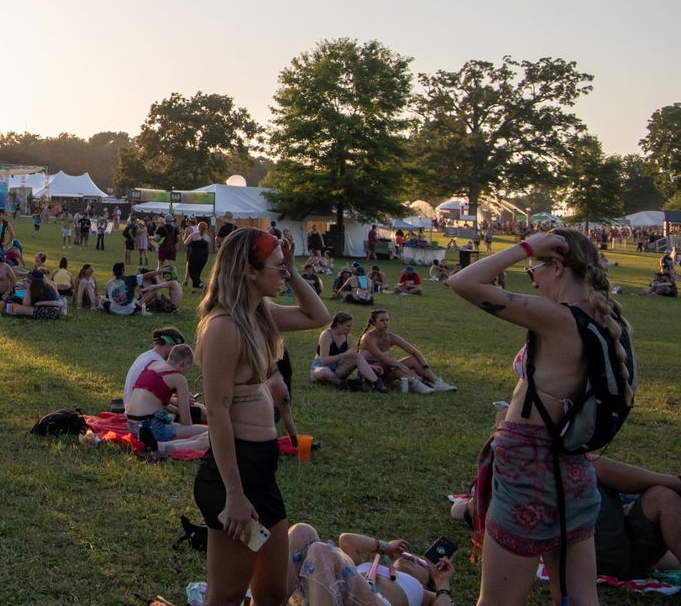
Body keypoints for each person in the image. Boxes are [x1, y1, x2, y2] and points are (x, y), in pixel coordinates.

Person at [447, 229, 634, 606]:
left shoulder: (558, 318)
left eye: (533, 270)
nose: (532, 280)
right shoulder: (609, 320)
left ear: (557, 266)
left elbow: (463, 281)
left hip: (529, 476)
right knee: (579, 598)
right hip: (573, 472)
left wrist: (527, 247)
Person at [194, 228, 329, 606]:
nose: (283, 274)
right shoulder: (224, 326)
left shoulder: (260, 315)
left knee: (272, 592)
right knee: (227, 596)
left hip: (262, 469)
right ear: (250, 271)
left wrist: (294, 270)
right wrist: (235, 495)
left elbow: (318, 315)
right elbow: (217, 412)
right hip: (235, 473)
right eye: (277, 267)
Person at [453, 455, 681, 583]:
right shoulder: (507, 492)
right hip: (588, 552)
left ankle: (674, 484)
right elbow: (460, 509)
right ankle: (677, 481)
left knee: (662, 496)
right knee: (589, 463)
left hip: (622, 541)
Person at [283, 523, 457, 606]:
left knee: (320, 550)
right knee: (303, 531)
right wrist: (384, 546)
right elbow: (347, 540)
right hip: (330, 596)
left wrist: (443, 583)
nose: (412, 559)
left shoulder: (422, 592)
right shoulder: (364, 566)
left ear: (426, 581)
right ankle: (268, 599)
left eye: (421, 563)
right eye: (409, 555)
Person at [126, 343, 210, 454]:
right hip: (152, 427)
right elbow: (186, 422)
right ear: (184, 364)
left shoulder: (153, 364)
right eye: (187, 369)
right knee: (209, 432)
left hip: (132, 424)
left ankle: (157, 444)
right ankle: (160, 446)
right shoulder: (179, 378)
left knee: (174, 423)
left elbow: (155, 401)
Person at [359, 310, 456, 393]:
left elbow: (415, 352)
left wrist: (427, 369)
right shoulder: (368, 338)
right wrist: (400, 365)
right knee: (392, 363)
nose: (385, 323)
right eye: (382, 320)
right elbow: (380, 356)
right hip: (371, 373)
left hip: (387, 371)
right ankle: (416, 383)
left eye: (387, 320)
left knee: (412, 360)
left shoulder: (391, 337)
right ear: (374, 323)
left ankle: (434, 381)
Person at [310, 312, 377, 389]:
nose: (350, 328)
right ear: (338, 324)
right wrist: (344, 354)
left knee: (356, 355)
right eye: (348, 326)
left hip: (338, 370)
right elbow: (324, 360)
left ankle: (376, 382)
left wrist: (370, 366)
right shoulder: (327, 335)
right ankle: (343, 384)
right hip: (321, 368)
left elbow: (351, 357)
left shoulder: (347, 337)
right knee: (323, 371)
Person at [186, 220, 213, 289]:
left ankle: (201, 284)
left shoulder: (193, 235)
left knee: (191, 272)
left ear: (198, 227)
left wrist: (184, 236)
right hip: (204, 256)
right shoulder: (208, 237)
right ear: (206, 228)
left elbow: (186, 243)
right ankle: (194, 289)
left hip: (194, 255)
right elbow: (210, 249)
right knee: (198, 272)